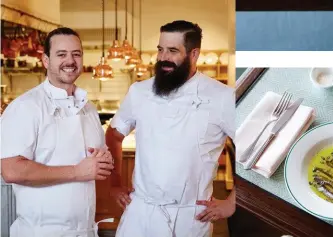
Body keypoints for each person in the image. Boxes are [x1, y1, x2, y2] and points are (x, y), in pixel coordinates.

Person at [106, 20, 236, 236]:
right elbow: (114, 134)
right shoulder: (139, 91)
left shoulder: (222, 97)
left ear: (194, 54)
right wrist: (115, 184)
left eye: (173, 51)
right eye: (160, 49)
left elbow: (252, 148)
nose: (163, 57)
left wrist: (233, 202)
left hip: (188, 218)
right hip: (140, 213)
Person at [1, 27, 114, 237]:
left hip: (85, 230)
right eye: (61, 54)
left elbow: (100, 161)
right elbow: (11, 170)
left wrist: (104, 161)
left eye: (76, 54)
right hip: (41, 231)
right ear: (46, 60)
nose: (70, 61)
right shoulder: (26, 106)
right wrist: (77, 171)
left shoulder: (88, 108)